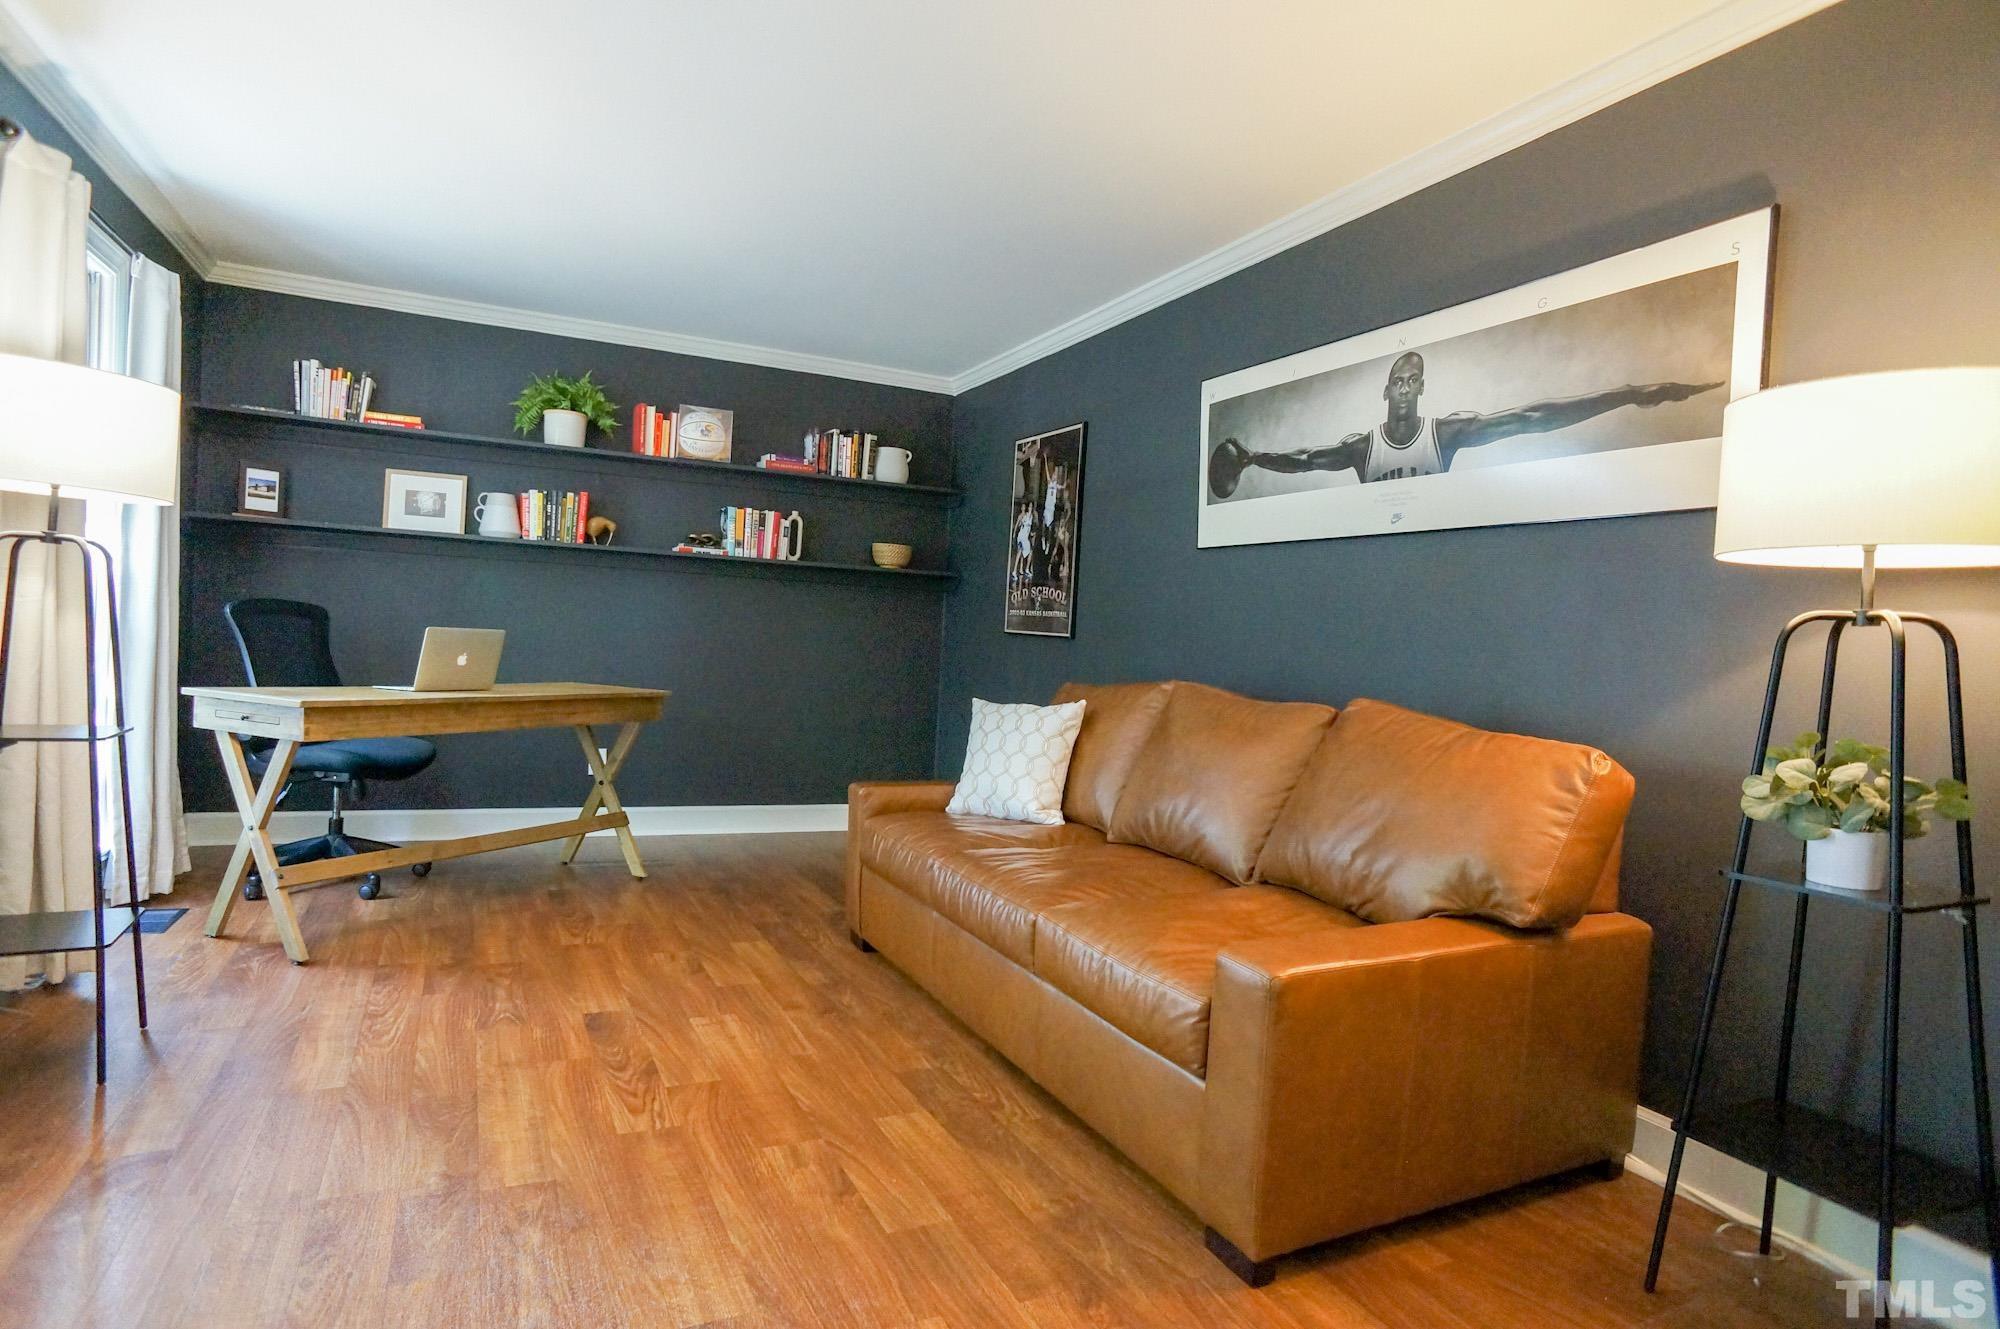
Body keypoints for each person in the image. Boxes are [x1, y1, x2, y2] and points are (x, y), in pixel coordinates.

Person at [1207, 350, 1722, 497]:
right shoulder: (1363, 447)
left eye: (1414, 379)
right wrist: (1251, 459)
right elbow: (1305, 461)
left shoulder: (1446, 433)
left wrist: (1625, 396)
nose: (1405, 386)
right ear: (1385, 390)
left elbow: (1531, 418)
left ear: (1422, 388)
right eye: (1397, 380)